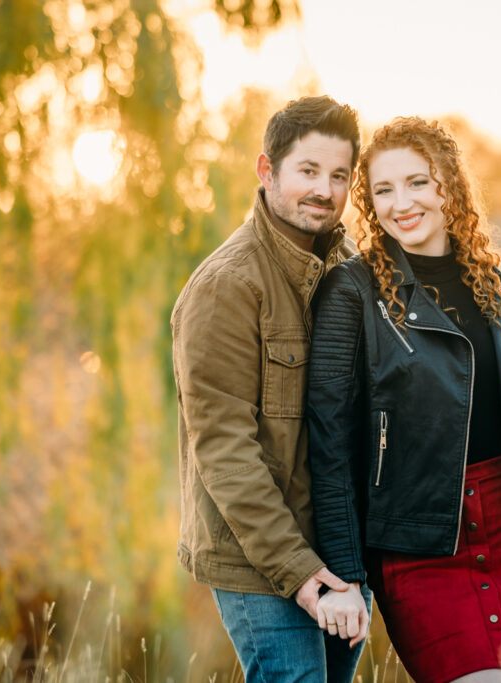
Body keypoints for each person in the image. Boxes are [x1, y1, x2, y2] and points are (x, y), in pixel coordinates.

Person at [306, 117, 501, 683]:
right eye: (383, 190)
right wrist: (347, 573)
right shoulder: (355, 292)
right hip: (421, 544)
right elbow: (330, 446)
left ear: (450, 186)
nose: (401, 203)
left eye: (418, 182)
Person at [171, 95, 371, 682]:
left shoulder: (349, 271)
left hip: (339, 547)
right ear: (267, 171)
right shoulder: (227, 287)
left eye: (339, 176)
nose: (324, 190)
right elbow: (225, 452)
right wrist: (305, 577)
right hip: (258, 560)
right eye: (308, 171)